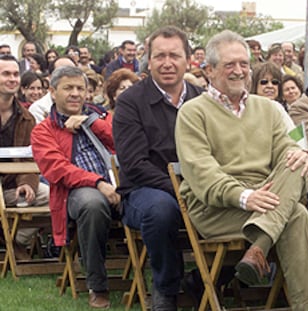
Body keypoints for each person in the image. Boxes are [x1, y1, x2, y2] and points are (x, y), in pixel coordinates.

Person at [175, 29, 308, 311]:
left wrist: (302, 154)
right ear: (209, 70)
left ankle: (259, 245)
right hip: (217, 208)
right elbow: (202, 174)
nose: (239, 71)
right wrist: (245, 196)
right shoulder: (192, 112)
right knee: (296, 213)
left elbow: (289, 147)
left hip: (268, 197)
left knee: (298, 158)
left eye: (244, 64)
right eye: (229, 65)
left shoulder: (269, 108)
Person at [113, 26, 204, 310]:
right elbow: (134, 164)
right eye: (160, 56)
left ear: (188, 60)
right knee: (161, 210)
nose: (167, 63)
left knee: (242, 207)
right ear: (148, 61)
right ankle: (166, 289)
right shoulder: (130, 102)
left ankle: (203, 281)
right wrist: (182, 191)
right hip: (145, 191)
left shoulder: (204, 99)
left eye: (174, 55)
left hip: (199, 185)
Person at [31, 66, 119, 309]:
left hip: (119, 183)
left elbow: (121, 139)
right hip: (76, 193)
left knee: (156, 202)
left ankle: (166, 285)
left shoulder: (99, 116)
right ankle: (97, 286)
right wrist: (97, 182)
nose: (75, 94)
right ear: (52, 92)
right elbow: (57, 169)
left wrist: (91, 122)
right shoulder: (43, 131)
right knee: (93, 204)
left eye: (81, 88)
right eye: (68, 88)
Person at [0, 55, 49, 255]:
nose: (12, 79)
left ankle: (11, 239)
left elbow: (31, 158)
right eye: (5, 74)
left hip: (13, 187)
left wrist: (27, 183)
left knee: (51, 195)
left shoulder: (27, 118)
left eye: (15, 74)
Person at [29, 56, 76, 123]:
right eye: (63, 73)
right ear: (51, 77)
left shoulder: (84, 106)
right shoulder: (38, 109)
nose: (69, 77)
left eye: (73, 72)